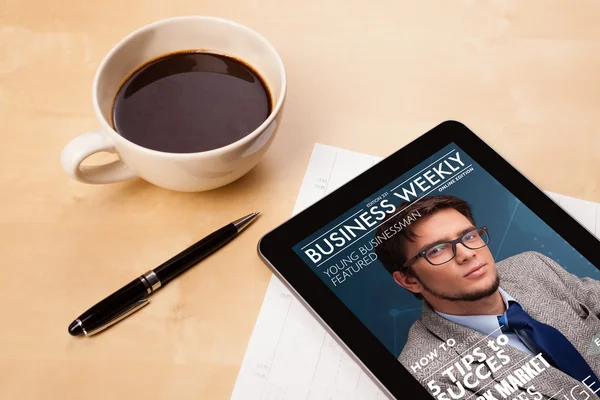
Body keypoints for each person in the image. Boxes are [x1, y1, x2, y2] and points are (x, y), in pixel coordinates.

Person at [375, 195, 600, 399]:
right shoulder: (423, 376)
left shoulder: (532, 265)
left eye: (469, 236)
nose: (466, 253)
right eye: (436, 250)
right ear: (408, 280)